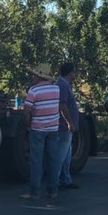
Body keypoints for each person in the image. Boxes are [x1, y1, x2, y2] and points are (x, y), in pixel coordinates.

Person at [23, 68, 62, 201]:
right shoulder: (56, 89)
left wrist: (28, 125)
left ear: (39, 77)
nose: (32, 78)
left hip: (38, 129)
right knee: (52, 160)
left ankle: (34, 192)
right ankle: (53, 191)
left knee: (36, 161)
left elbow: (26, 111)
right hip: (53, 129)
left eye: (33, 75)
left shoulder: (33, 91)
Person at [57, 62, 80, 190]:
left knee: (66, 155)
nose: (75, 74)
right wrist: (69, 122)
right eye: (74, 72)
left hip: (66, 127)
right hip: (64, 126)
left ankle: (66, 179)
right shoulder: (62, 86)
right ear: (70, 72)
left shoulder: (65, 85)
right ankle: (55, 181)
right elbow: (62, 105)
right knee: (60, 155)